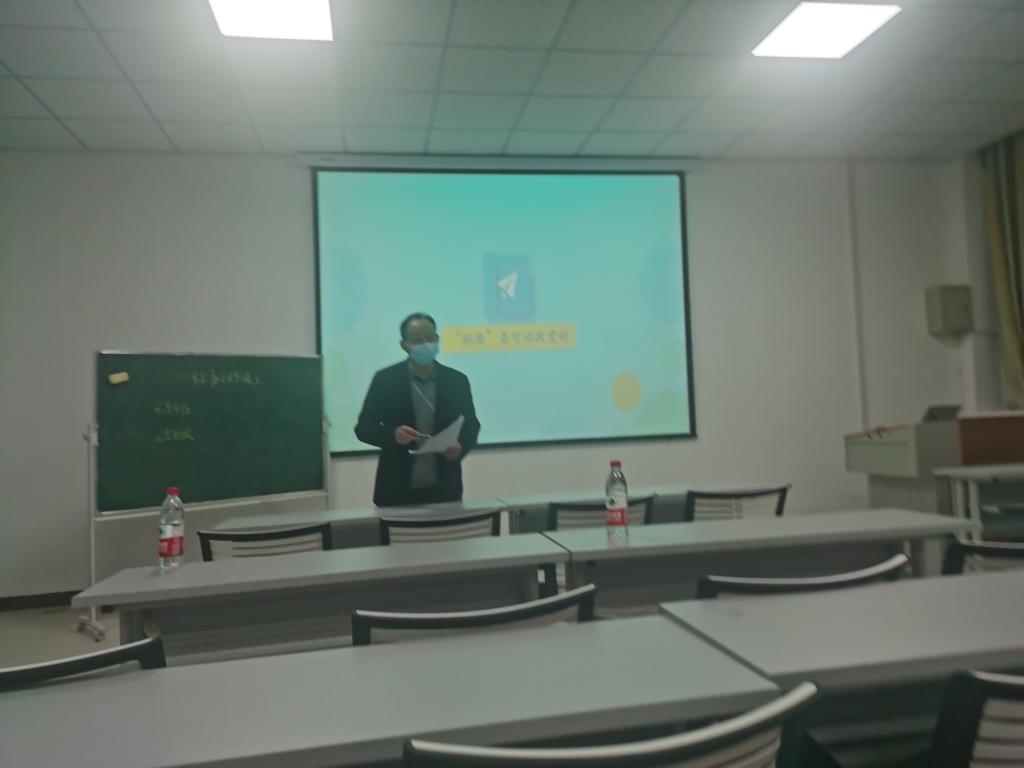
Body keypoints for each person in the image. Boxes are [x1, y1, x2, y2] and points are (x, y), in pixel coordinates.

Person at [355, 313, 481, 507]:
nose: (426, 344)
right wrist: (393, 434)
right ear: (404, 345)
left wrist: (460, 447)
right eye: (417, 340)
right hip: (396, 492)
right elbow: (364, 428)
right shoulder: (386, 380)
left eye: (430, 338)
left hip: (445, 491)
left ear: (437, 339)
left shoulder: (456, 381)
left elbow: (471, 426)